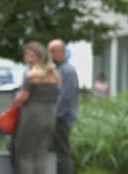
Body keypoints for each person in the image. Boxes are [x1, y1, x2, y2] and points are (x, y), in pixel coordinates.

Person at [13, 41, 61, 174]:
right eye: (26, 55)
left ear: (38, 57)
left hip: (32, 117)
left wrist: (16, 96)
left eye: (30, 55)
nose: (27, 58)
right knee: (40, 155)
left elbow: (22, 97)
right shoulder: (54, 76)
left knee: (25, 155)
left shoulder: (32, 76)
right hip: (50, 117)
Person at [48, 39, 79, 174]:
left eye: (52, 51)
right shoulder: (57, 70)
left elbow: (65, 98)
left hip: (61, 119)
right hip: (55, 118)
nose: (50, 54)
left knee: (62, 152)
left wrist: (53, 116)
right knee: (55, 152)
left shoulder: (68, 71)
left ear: (62, 52)